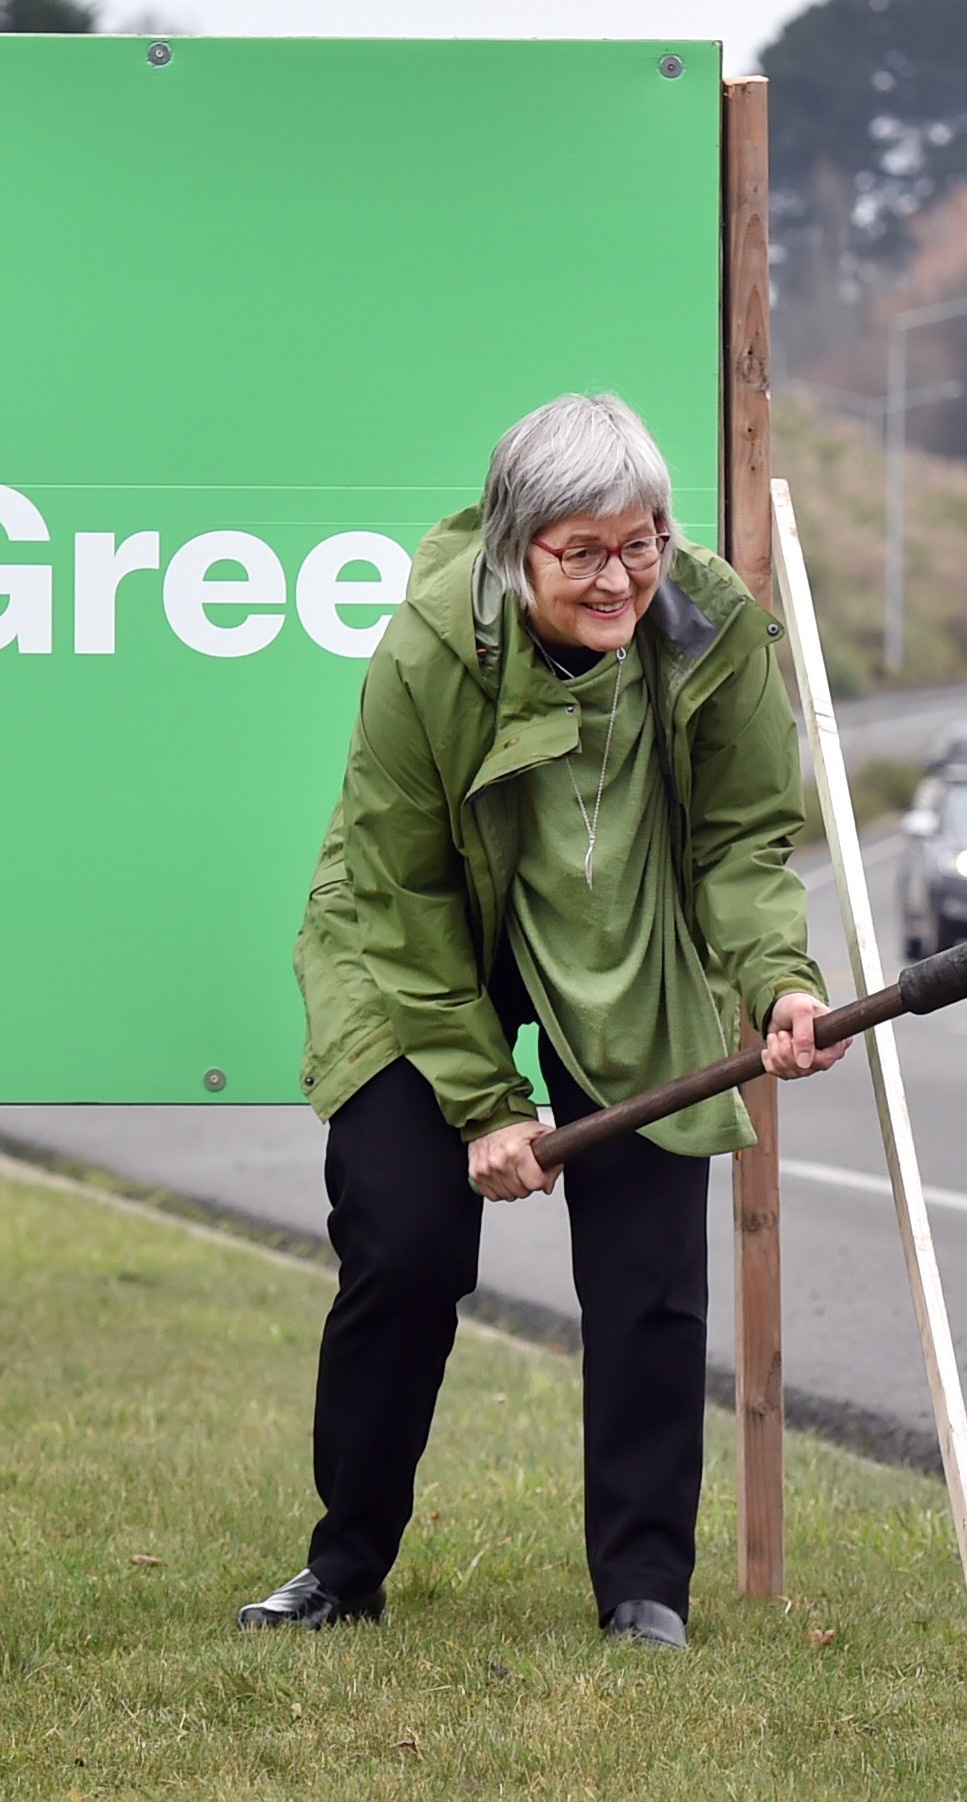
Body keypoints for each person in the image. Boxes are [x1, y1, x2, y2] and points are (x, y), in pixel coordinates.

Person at [242, 393, 847, 1647]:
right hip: (427, 933)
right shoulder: (427, 649)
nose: (620, 577)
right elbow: (400, 892)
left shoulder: (715, 629)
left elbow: (742, 841)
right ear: (518, 549)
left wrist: (781, 976)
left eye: (642, 543)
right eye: (581, 551)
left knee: (648, 1267)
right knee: (405, 1245)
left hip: (619, 931)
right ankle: (345, 1563)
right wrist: (483, 1104)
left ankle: (643, 1591)